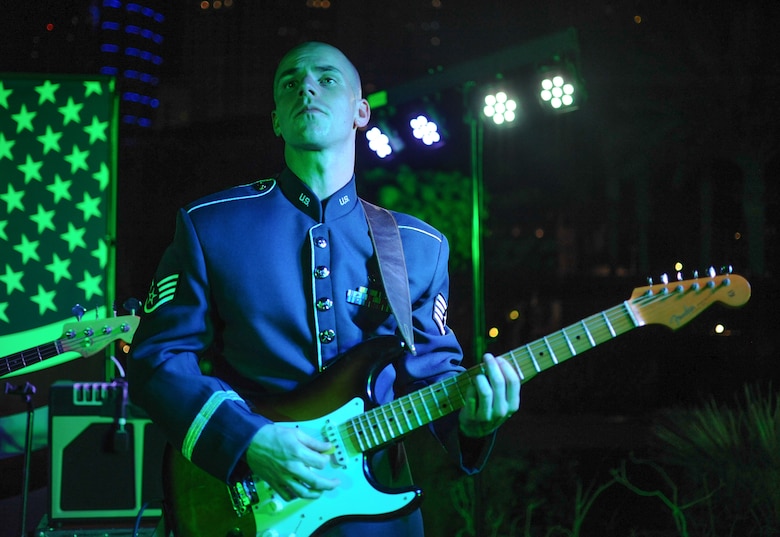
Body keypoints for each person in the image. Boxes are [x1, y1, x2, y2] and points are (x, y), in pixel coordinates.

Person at [128, 41, 521, 537]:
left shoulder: (420, 247)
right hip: (249, 503)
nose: (306, 87)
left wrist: (472, 422)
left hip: (379, 515)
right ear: (276, 120)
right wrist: (247, 440)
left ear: (361, 111)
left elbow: (430, 375)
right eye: (290, 83)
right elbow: (157, 359)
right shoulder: (212, 226)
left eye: (326, 78)